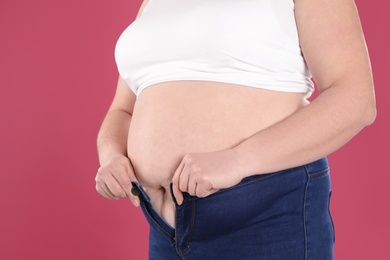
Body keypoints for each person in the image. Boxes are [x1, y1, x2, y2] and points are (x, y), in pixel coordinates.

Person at [95, 0, 376, 259]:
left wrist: (239, 160)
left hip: (265, 216)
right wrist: (111, 156)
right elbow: (122, 110)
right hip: (165, 229)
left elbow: (355, 100)